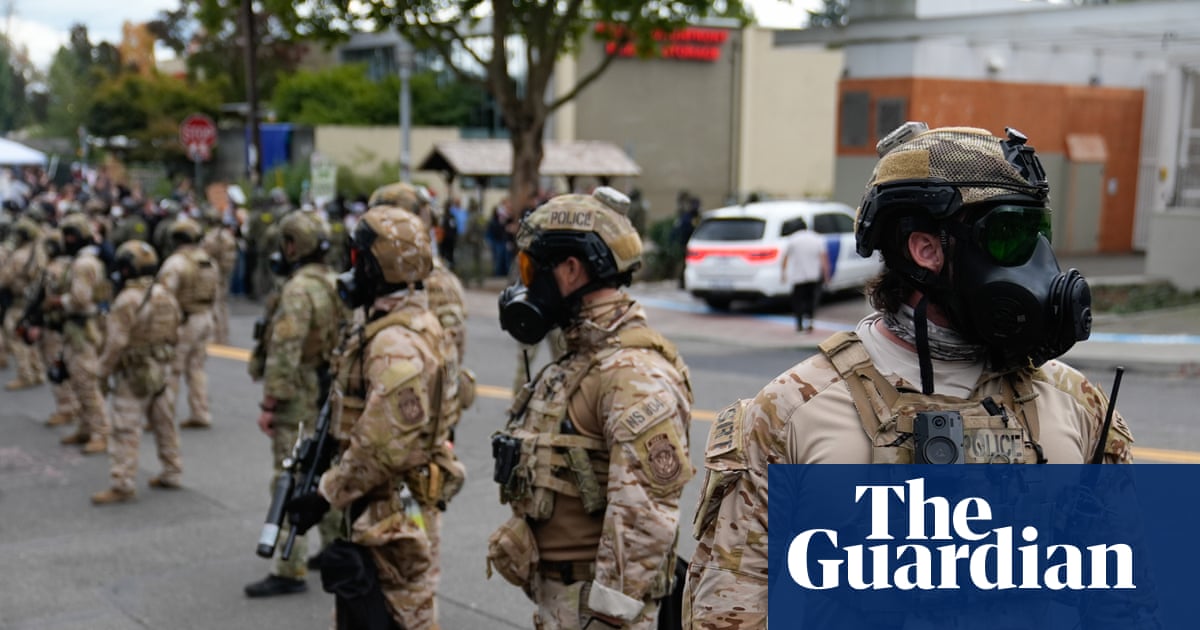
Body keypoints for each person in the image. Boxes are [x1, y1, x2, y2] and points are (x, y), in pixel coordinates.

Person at [682, 124, 1136, 628]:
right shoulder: (792, 411)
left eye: (1038, 237)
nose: (1039, 268)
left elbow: (1126, 602)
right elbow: (728, 609)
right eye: (1008, 237)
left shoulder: (1078, 404)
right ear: (925, 249)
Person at [490, 187, 693, 629]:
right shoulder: (584, 357)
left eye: (530, 269)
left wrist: (608, 618)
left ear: (570, 270)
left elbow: (644, 515)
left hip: (598, 612)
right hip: (566, 603)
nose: (524, 284)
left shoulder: (632, 372)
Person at [284, 206, 463, 629]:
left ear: (374, 266)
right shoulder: (417, 322)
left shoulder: (393, 342)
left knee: (397, 614)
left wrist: (325, 494)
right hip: (398, 498)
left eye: (357, 259)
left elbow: (384, 443)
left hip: (391, 509)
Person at [244, 211, 346, 598]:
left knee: (289, 477)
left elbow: (285, 350)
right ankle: (336, 548)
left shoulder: (297, 290)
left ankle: (290, 567)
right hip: (330, 393)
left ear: (292, 246)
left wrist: (270, 404)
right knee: (328, 473)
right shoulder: (336, 283)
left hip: (300, 394)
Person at [91, 240, 183, 505]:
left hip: (135, 372)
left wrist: (102, 371)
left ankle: (122, 482)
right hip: (161, 367)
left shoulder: (127, 299)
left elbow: (116, 342)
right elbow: (175, 331)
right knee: (164, 422)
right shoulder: (165, 294)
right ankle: (172, 471)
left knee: (125, 427)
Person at [46, 213, 111, 455]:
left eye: (71, 236)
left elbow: (80, 299)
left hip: (83, 328)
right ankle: (85, 427)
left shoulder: (83, 264)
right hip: (77, 328)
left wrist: (57, 302)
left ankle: (100, 432)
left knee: (85, 381)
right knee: (76, 378)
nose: (67, 240)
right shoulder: (82, 260)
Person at [158, 216, 220, 429]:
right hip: (205, 317)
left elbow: (164, 297)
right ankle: (201, 412)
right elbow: (216, 293)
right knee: (196, 368)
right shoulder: (208, 262)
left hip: (185, 320)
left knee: (172, 369)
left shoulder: (176, 263)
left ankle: (164, 415)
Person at [0, 217, 46, 389]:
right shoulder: (39, 252)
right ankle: (38, 371)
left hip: (18, 300)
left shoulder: (19, 256)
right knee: (27, 337)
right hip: (32, 300)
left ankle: (25, 375)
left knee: (15, 336)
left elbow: (4, 278)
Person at [779, 217, 830, 332]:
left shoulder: (793, 239)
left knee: (798, 301)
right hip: (813, 275)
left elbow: (785, 257)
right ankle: (810, 322)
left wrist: (783, 274)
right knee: (811, 300)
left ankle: (799, 325)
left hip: (798, 277)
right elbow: (824, 258)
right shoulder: (817, 238)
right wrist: (826, 275)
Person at [200, 206, 238, 345]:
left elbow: (205, 256)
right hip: (225, 273)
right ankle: (223, 334)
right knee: (223, 304)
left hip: (215, 274)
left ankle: (216, 336)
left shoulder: (212, 237)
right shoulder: (227, 235)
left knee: (215, 304)